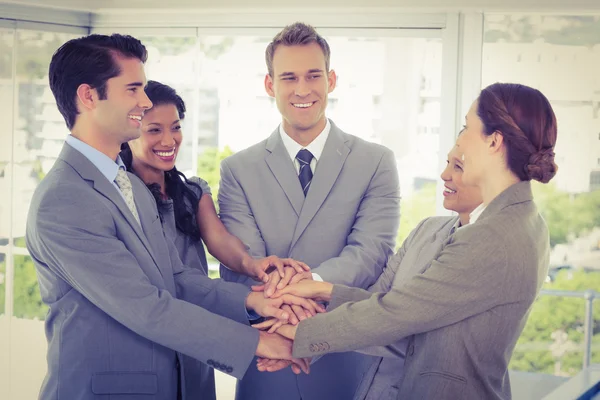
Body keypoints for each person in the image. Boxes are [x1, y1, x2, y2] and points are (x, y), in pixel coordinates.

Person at [25, 33, 316, 400]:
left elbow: (175, 278)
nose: (144, 101)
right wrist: (262, 342)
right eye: (132, 89)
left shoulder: (126, 184)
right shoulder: (65, 200)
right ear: (88, 96)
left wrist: (255, 303)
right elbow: (145, 306)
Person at [265, 82, 559, 400]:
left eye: (466, 127)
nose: (460, 142)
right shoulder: (521, 220)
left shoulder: (493, 236)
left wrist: (294, 335)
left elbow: (398, 313)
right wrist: (324, 291)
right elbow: (407, 306)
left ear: (494, 141)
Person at [218, 22, 401, 400]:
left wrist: (310, 285)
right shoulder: (237, 169)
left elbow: (371, 253)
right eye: (289, 78)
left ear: (331, 80)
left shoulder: (376, 161)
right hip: (270, 359)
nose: (302, 89)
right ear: (270, 85)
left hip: (349, 357)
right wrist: (288, 318)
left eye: (313, 75)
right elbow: (243, 264)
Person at [119, 80, 312, 400]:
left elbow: (220, 239)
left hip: (200, 335)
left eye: (176, 127)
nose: (169, 140)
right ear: (131, 132)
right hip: (150, 332)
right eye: (154, 130)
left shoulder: (193, 191)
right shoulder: (122, 196)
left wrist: (252, 265)